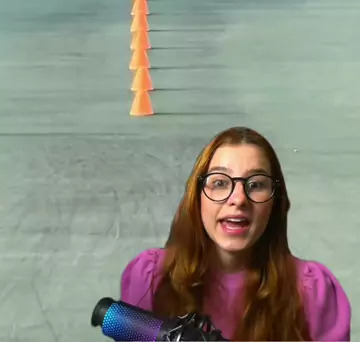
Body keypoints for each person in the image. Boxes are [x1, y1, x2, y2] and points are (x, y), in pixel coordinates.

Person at [120, 126, 351, 341]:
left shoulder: (313, 291)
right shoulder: (150, 277)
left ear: (275, 202)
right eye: (220, 183)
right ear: (197, 198)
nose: (238, 199)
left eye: (256, 185)